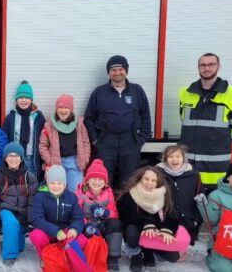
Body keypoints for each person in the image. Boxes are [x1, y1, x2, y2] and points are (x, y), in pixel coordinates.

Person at [84, 55, 151, 190]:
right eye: (113, 70)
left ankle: (125, 210)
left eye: (121, 69)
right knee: (104, 179)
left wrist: (141, 139)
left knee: (129, 180)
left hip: (130, 141)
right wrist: (96, 140)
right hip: (106, 142)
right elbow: (88, 118)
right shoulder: (99, 92)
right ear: (108, 72)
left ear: (126, 71)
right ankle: (106, 210)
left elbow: (146, 116)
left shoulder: (136, 91)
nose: (117, 73)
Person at [179, 53, 232, 189]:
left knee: (214, 203)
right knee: (187, 200)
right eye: (203, 65)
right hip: (188, 160)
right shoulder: (185, 93)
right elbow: (183, 119)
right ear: (198, 67)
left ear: (219, 66)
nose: (207, 68)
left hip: (215, 164)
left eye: (211, 64)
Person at [117, 166, 180, 272]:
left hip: (156, 234)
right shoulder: (129, 195)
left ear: (158, 183)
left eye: (153, 180)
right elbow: (126, 218)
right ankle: (136, 255)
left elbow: (172, 216)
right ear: (140, 179)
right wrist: (146, 225)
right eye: (146, 179)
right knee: (131, 229)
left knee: (173, 257)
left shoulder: (164, 196)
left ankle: (149, 253)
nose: (149, 183)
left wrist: (167, 231)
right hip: (137, 233)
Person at [0, 142, 39, 266]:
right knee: (11, 223)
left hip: (22, 211)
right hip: (5, 209)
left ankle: (15, 243)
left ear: (21, 158)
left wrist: (31, 221)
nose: (13, 158)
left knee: (19, 245)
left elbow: (33, 201)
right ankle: (9, 255)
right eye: (10, 155)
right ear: (5, 158)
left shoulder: (29, 177)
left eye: (16, 155)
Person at [29, 165, 85, 257]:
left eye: (59, 183)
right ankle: (46, 257)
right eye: (52, 183)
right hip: (47, 231)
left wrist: (74, 229)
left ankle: (65, 257)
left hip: (65, 232)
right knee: (36, 236)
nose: (56, 186)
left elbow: (78, 217)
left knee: (82, 240)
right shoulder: (40, 197)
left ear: (65, 184)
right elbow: (37, 219)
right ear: (47, 182)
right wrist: (55, 231)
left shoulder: (71, 197)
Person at [76, 159, 123, 270]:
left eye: (100, 179)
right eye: (94, 179)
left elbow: (114, 214)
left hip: (101, 224)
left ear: (105, 182)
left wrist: (105, 213)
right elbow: (76, 213)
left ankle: (113, 257)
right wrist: (86, 224)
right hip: (86, 226)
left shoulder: (108, 193)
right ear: (87, 180)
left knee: (115, 224)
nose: (97, 182)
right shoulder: (81, 193)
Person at [39, 94, 91, 193]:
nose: (63, 111)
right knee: (56, 193)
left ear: (71, 109)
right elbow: (43, 145)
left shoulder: (79, 124)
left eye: (66, 107)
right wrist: (50, 161)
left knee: (75, 194)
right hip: (57, 163)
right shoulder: (49, 124)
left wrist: (85, 158)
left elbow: (86, 142)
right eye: (60, 107)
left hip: (75, 163)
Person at [156, 144, 203, 250]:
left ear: (183, 158)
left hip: (187, 223)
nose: (174, 159)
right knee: (167, 252)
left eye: (178, 156)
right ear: (165, 159)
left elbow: (201, 200)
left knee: (179, 251)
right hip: (165, 222)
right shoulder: (157, 174)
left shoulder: (194, 175)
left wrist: (196, 221)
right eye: (171, 156)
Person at [3, 80, 46, 179]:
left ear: (31, 100)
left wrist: (43, 160)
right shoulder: (11, 117)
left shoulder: (38, 116)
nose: (24, 100)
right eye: (21, 97)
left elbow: (44, 139)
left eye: (27, 98)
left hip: (33, 158)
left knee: (33, 184)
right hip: (15, 158)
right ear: (16, 100)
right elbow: (5, 139)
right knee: (17, 183)